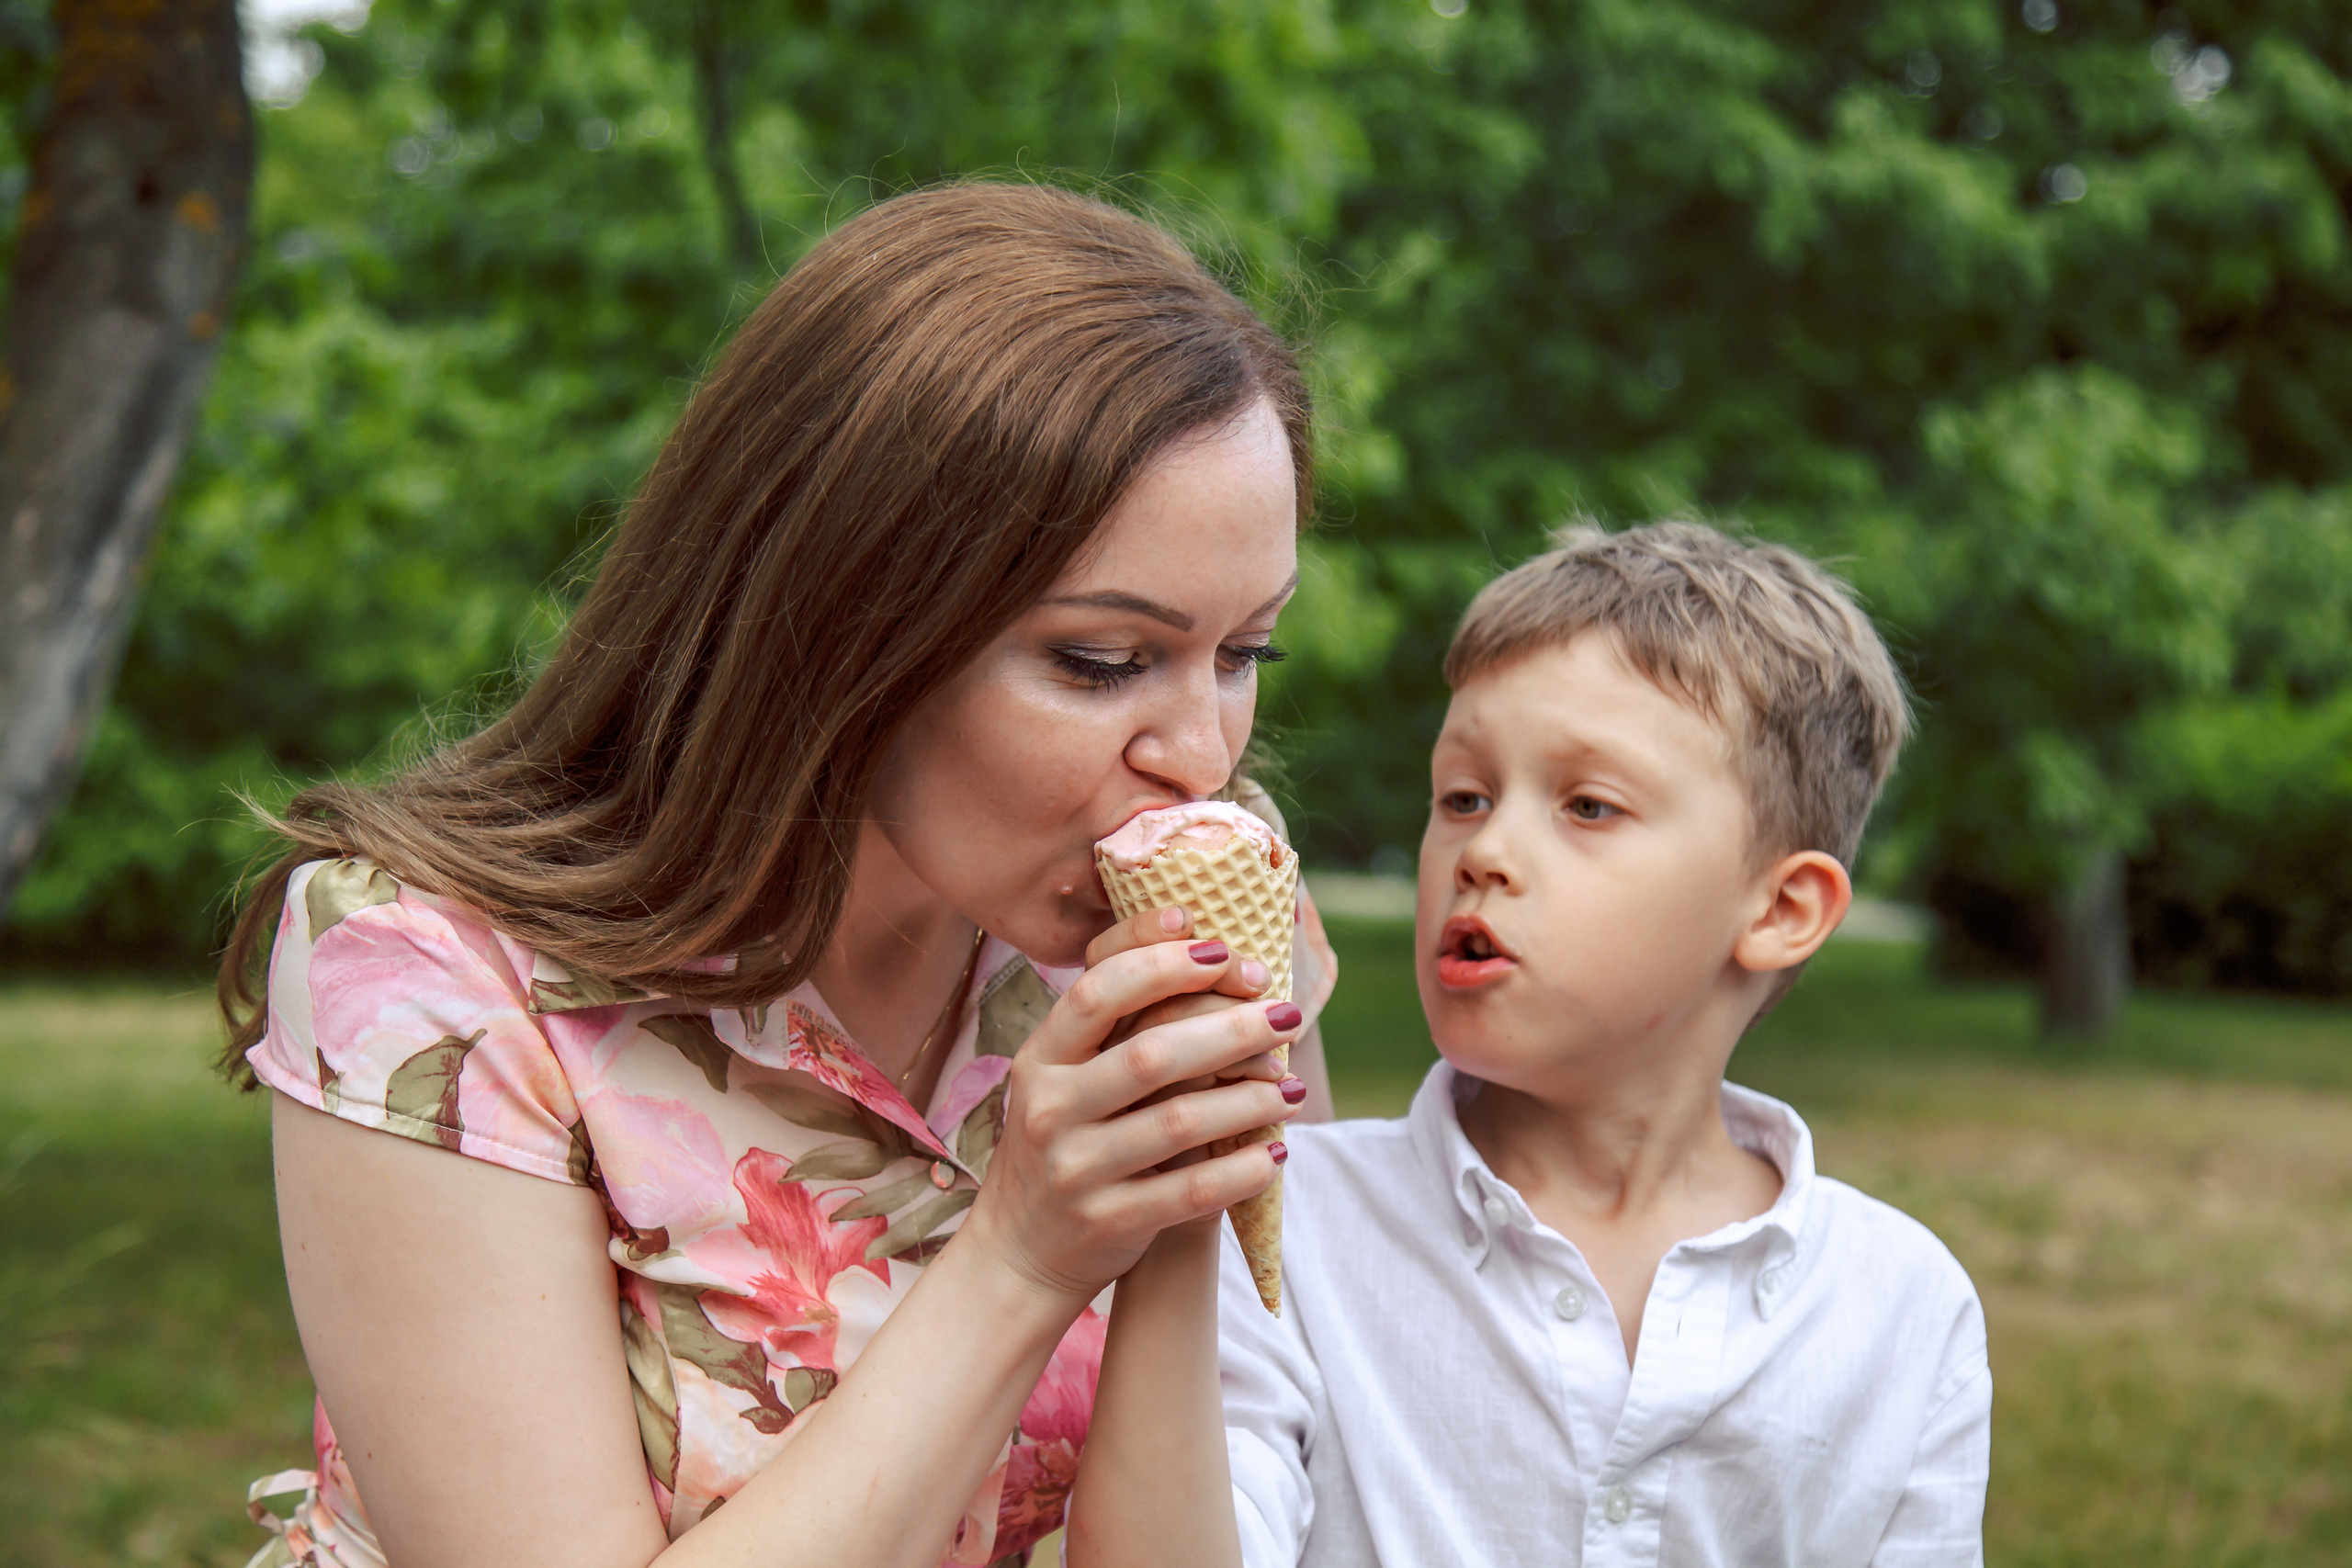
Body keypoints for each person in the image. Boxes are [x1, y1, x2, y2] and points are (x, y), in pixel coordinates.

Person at [221, 181, 1340, 1568]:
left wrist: (1177, 1192)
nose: (1200, 754)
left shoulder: (1149, 952)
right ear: (852, 615)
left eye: (1245, 654)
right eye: (1102, 660)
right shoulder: (418, 972)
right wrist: (1026, 1254)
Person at [1069, 522, 1991, 1567]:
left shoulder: (1903, 1310)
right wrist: (1184, 1198)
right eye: (1462, 798)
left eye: (1588, 807)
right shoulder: (1280, 1240)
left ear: (1781, 910)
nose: (1486, 852)